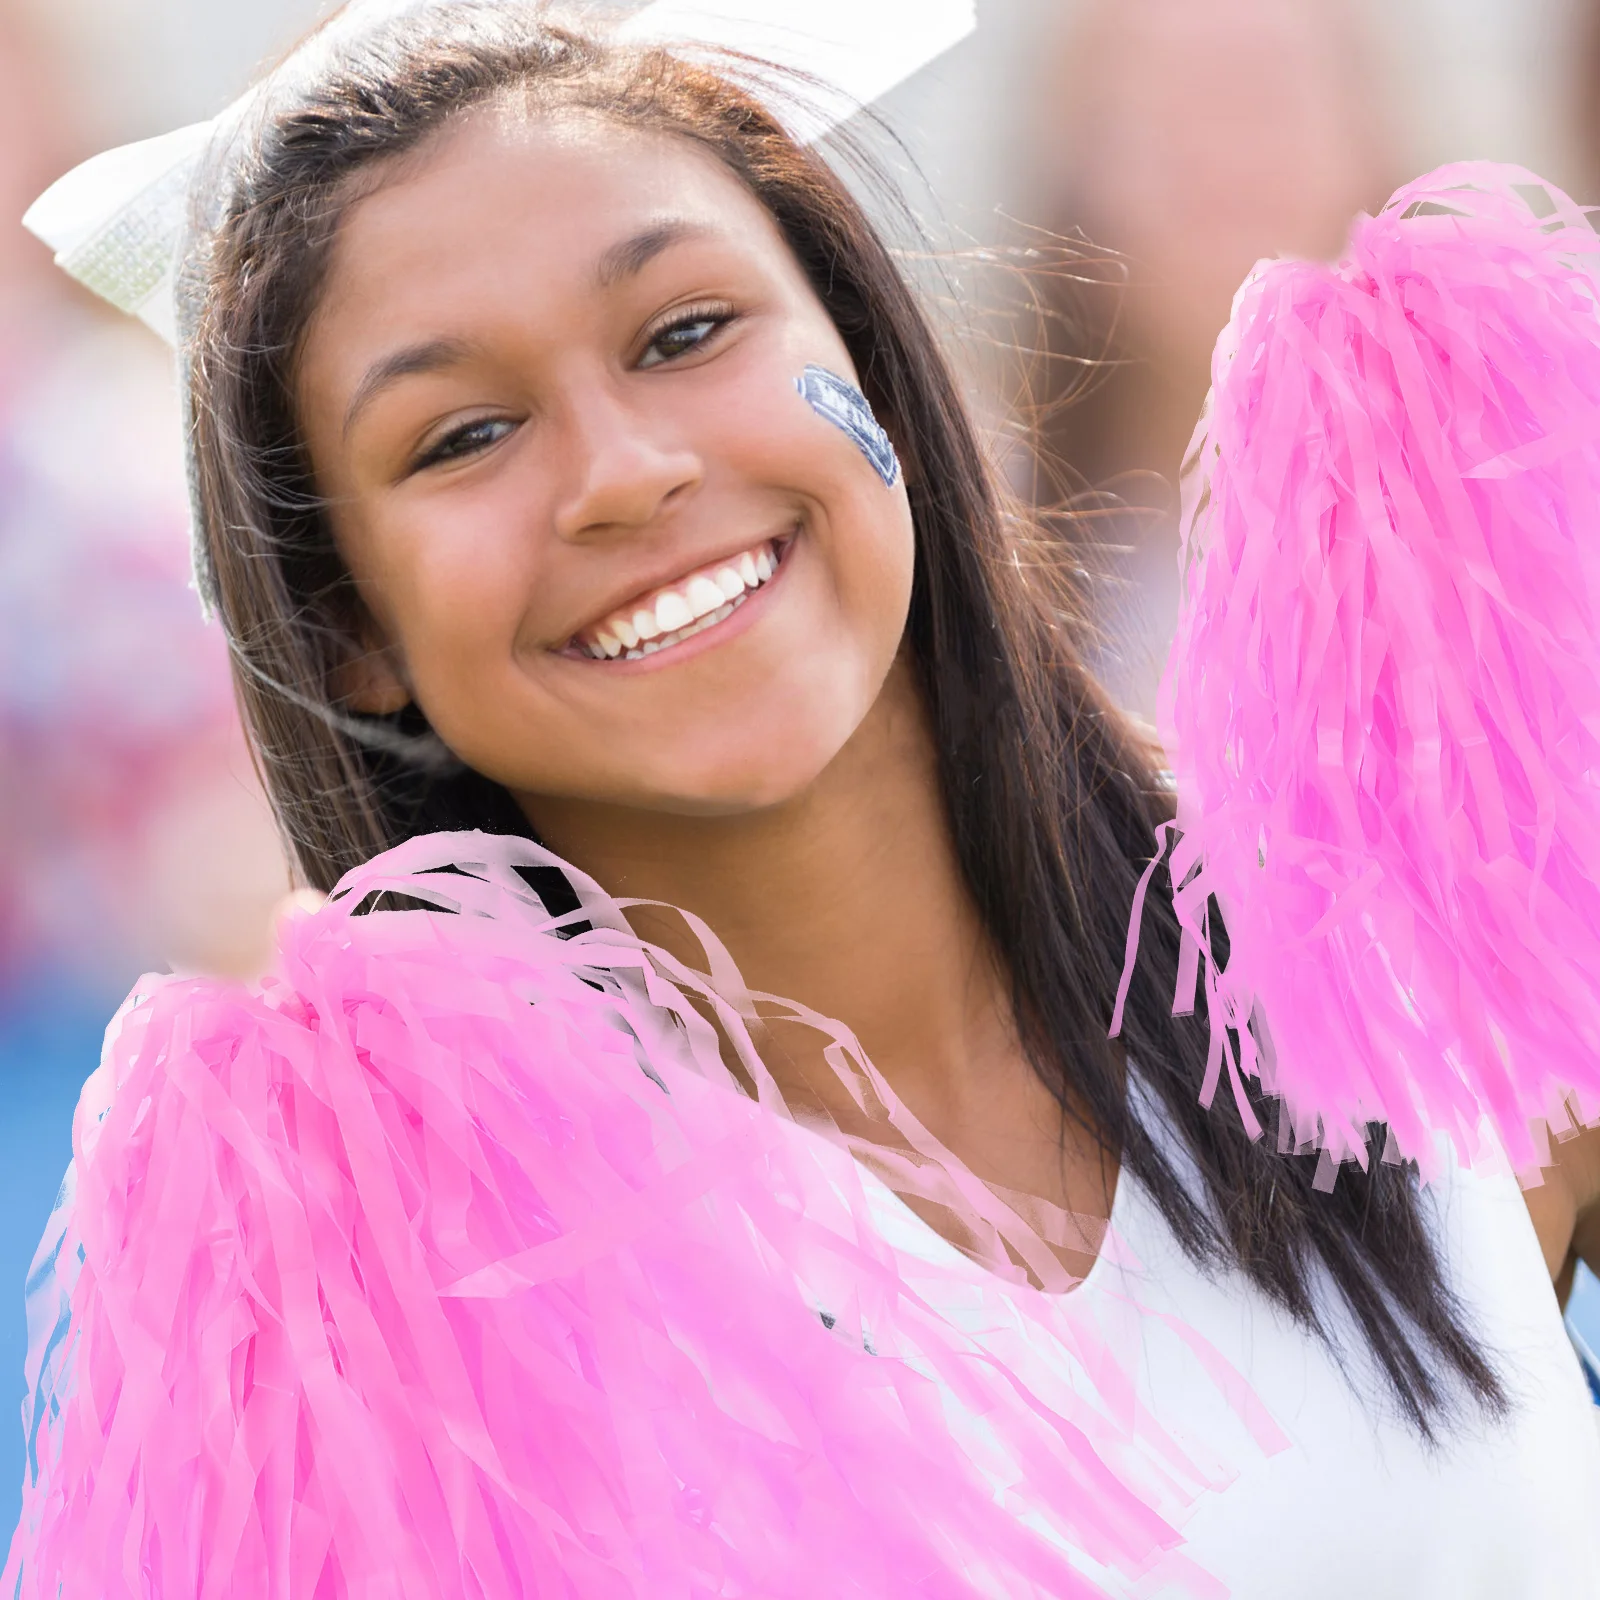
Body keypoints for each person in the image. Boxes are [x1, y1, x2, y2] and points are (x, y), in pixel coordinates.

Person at [7, 4, 1600, 1595]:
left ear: (871, 363)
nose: (625, 470)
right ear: (348, 629)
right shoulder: (390, 1339)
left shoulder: (1432, 933)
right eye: (465, 436)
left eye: (687, 332)